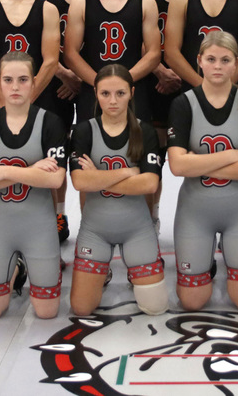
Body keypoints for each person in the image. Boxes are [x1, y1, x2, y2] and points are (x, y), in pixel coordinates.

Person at [168, 31, 238, 311]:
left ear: (236, 63)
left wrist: (198, 162)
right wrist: (233, 156)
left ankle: (225, 260)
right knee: (192, 302)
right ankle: (204, 262)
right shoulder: (183, 103)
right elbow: (177, 165)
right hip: (195, 212)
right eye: (211, 59)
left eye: (225, 60)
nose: (218, 66)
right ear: (199, 61)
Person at [0, 51, 67, 319]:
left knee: (47, 312)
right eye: (8, 80)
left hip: (40, 229)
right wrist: (33, 169)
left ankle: (20, 265)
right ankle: (14, 269)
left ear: (34, 82)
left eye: (23, 79)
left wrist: (0, 170)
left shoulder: (51, 122)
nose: (15, 87)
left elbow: (56, 179)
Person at [69, 64, 168, 316]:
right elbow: (80, 182)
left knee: (155, 308)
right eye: (105, 94)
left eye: (120, 93)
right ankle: (102, 270)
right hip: (95, 231)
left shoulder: (144, 131)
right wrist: (128, 172)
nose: (113, 101)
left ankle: (136, 269)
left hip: (137, 229)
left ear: (132, 93)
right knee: (81, 308)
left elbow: (149, 184)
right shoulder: (83, 130)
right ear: (95, 93)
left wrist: (98, 177)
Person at [129, 0, 199, 232]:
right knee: (152, 157)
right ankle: (151, 219)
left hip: (192, 83)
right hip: (152, 82)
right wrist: (159, 71)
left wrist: (183, 76)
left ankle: (197, 221)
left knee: (197, 152)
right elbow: (136, 40)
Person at [33, 0, 100, 243]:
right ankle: (58, 215)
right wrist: (62, 72)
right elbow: (35, 40)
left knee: (92, 149)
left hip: (91, 81)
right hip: (55, 79)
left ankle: (96, 217)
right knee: (54, 150)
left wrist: (83, 78)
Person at [64, 0, 161, 123]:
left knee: (136, 149)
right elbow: (70, 54)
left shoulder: (145, 3)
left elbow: (154, 54)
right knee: (89, 148)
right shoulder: (81, 2)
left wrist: (123, 83)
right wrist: (100, 84)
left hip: (133, 89)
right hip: (93, 91)